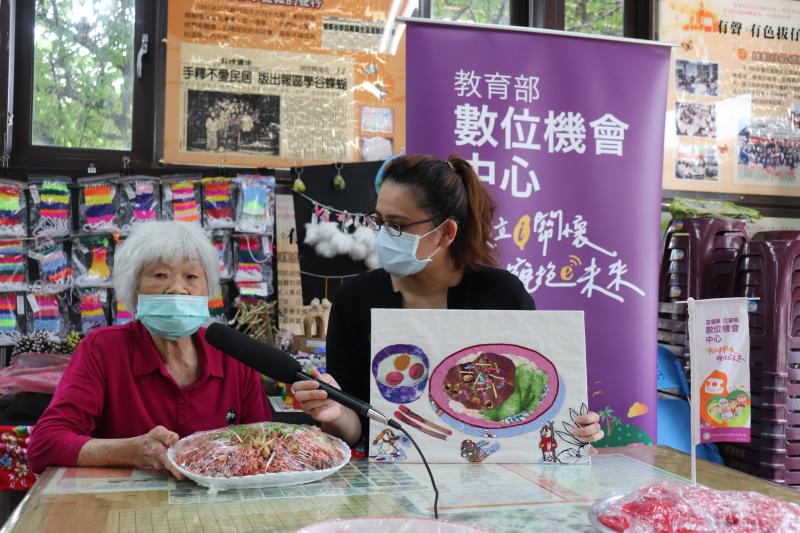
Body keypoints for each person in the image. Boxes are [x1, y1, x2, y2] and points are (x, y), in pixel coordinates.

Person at [293, 154, 604, 448]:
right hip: (392, 476)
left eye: (397, 225)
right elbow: (356, 430)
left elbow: (535, 398)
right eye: (379, 220)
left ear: (446, 233)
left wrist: (575, 430)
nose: (383, 235)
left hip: (492, 476)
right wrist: (335, 413)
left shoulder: (503, 295)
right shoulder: (355, 300)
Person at [27, 221, 271, 476]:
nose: (177, 289)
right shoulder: (103, 350)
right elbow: (44, 446)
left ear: (207, 289)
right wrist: (133, 451)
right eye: (160, 275)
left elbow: (266, 446)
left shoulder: (234, 356)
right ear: (135, 289)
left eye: (191, 276)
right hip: (125, 500)